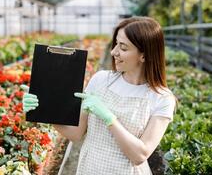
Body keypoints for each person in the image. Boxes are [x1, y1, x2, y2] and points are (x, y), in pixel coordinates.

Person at [21, 16, 176, 174]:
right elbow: (75, 133)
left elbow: (140, 155)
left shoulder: (161, 98)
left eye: (123, 48)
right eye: (116, 43)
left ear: (144, 55)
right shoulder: (101, 80)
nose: (114, 51)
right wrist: (43, 109)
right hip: (89, 169)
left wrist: (108, 117)